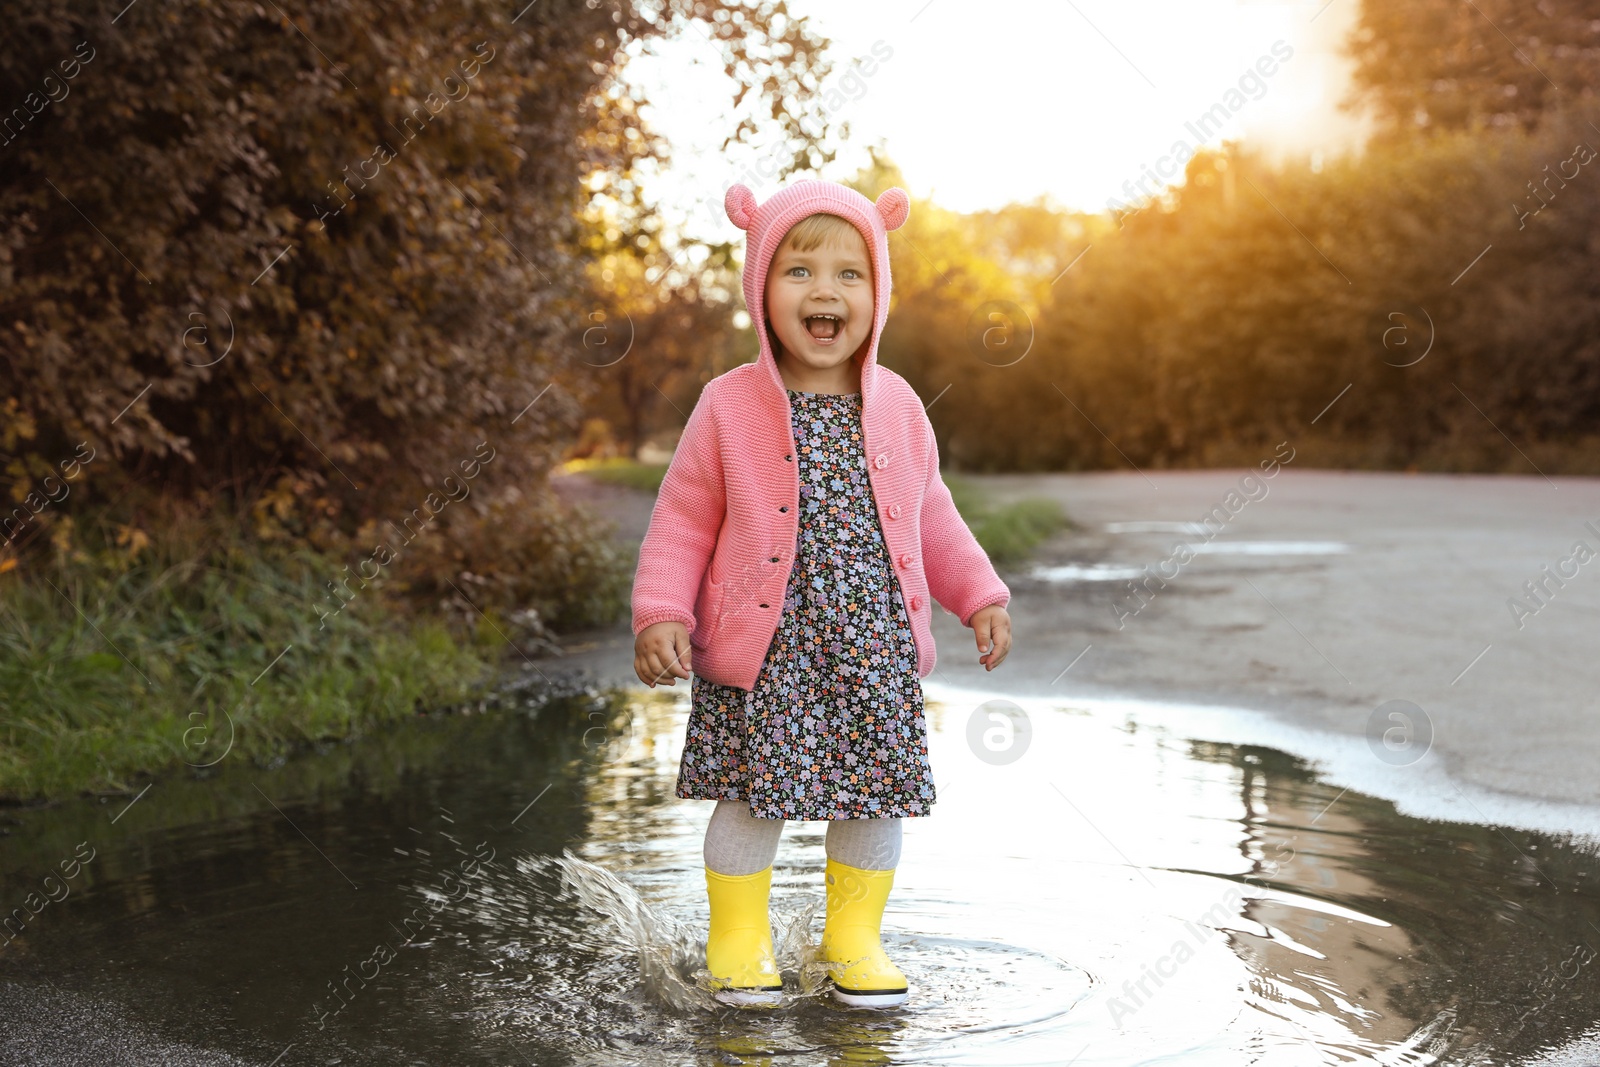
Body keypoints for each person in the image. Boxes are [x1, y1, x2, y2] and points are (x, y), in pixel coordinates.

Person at [631, 178, 1013, 1009]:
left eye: (850, 273)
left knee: (877, 791)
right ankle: (738, 937)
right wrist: (663, 610)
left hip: (871, 645)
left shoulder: (900, 406)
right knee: (748, 791)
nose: (825, 291)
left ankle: (854, 937)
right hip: (764, 649)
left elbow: (932, 514)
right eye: (798, 271)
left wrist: (978, 592)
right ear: (761, 290)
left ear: (878, 294)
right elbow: (684, 518)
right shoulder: (728, 404)